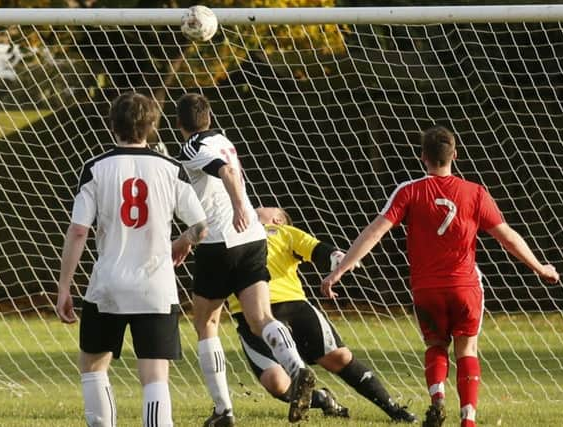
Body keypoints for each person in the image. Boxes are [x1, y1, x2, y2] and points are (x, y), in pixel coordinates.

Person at [321, 125, 560, 427]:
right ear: (454, 156)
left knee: (435, 345)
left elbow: (374, 232)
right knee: (467, 349)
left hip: (426, 289)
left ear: (423, 156)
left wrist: (339, 271)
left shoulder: (409, 191)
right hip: (465, 287)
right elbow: (508, 237)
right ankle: (468, 419)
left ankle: (437, 400)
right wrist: (540, 267)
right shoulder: (475, 192)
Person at [56, 92, 208, 427]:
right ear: (152, 127)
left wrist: (64, 286)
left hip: (108, 287)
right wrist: (182, 242)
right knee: (154, 375)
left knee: (93, 366)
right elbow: (200, 228)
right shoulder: (172, 168)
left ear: (112, 125)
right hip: (156, 287)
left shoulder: (95, 168)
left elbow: (78, 232)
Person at [173, 93, 315, 426]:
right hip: (253, 238)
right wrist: (187, 238)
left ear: (180, 124)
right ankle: (298, 369)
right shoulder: (223, 140)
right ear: (208, 117)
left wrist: (238, 205)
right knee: (260, 318)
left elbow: (227, 175)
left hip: (222, 243)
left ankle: (224, 412)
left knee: (206, 324)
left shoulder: (192, 149)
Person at [227, 206, 417, 423]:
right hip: (250, 316)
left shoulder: (285, 233)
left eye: (266, 208)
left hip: (293, 307)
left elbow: (315, 249)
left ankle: (394, 409)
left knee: (339, 358)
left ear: (279, 220)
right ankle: (322, 399)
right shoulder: (232, 233)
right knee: (276, 383)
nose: (257, 207)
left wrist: (336, 257)